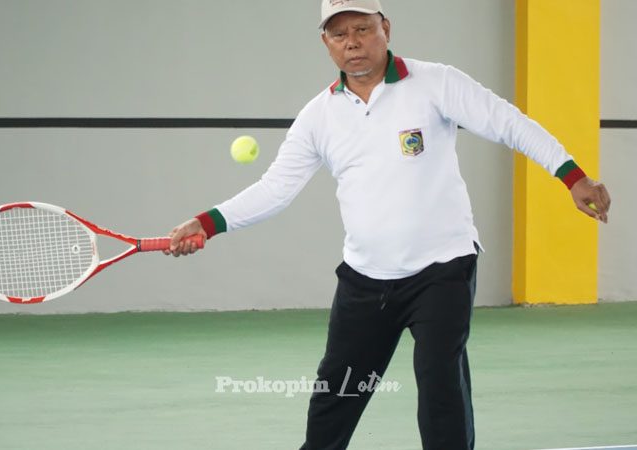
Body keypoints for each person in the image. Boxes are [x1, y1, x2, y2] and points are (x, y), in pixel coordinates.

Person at [165, 1, 611, 448]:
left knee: (440, 384)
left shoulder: (436, 82)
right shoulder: (318, 117)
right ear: (326, 43)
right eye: (339, 34)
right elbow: (275, 188)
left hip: (443, 269)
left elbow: (508, 123)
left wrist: (572, 176)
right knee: (336, 394)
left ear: (386, 29)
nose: (352, 42)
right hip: (365, 278)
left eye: (362, 28)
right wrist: (206, 223)